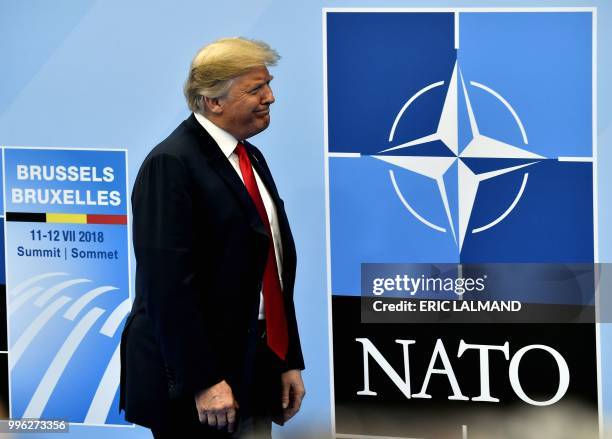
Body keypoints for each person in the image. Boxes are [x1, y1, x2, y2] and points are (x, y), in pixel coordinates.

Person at [119, 37, 305, 438]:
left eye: (268, 85)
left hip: (255, 365)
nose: (270, 97)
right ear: (213, 101)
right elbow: (167, 286)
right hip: (201, 386)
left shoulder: (249, 156)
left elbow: (271, 266)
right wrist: (202, 381)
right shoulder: (171, 163)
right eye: (255, 89)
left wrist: (288, 359)